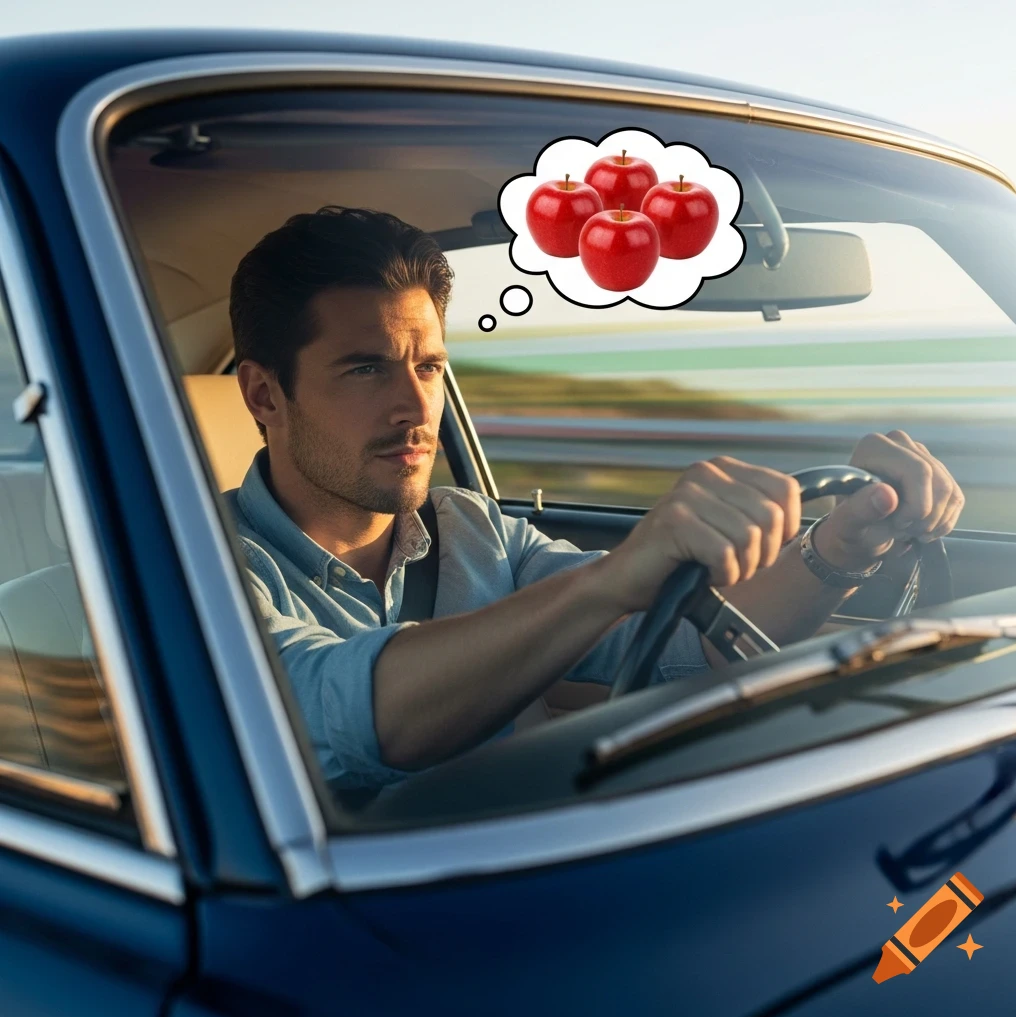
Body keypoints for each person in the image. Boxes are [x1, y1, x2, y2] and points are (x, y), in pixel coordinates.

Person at [228, 205, 964, 793]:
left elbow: (690, 642)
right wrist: (607, 581)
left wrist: (841, 547)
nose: (416, 409)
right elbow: (346, 715)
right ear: (265, 395)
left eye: (427, 368)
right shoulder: (206, 570)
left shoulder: (474, 530)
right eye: (366, 370)